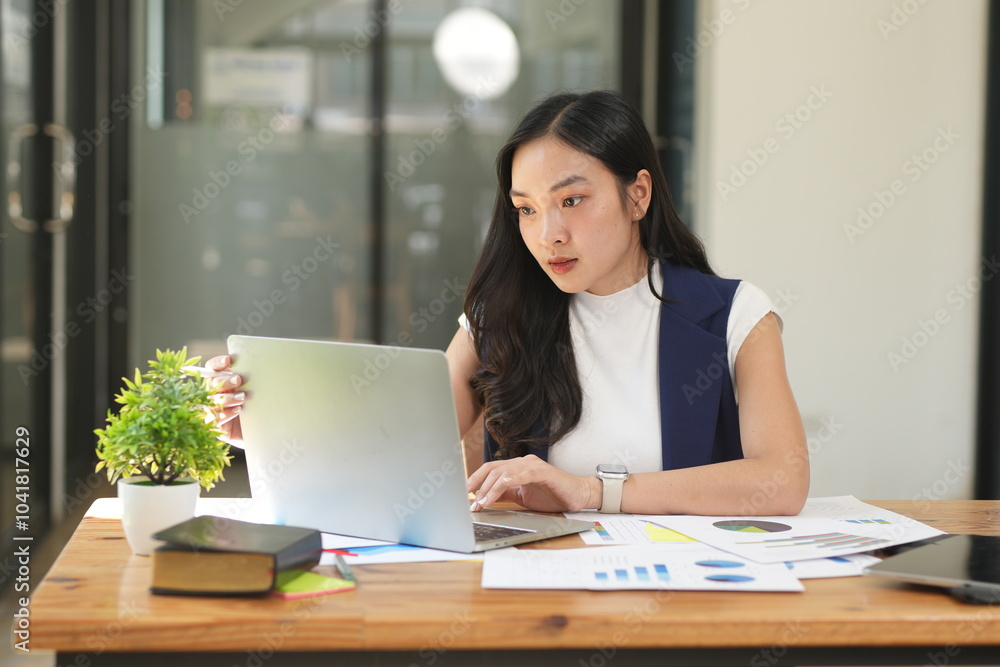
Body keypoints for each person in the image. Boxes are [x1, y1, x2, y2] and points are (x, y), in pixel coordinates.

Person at [210, 90, 809, 517]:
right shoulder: (501, 318)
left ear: (638, 194)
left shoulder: (733, 315)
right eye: (526, 208)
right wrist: (268, 431)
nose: (548, 233)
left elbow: (781, 481)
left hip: (693, 599)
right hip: (536, 598)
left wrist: (590, 491)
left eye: (571, 200)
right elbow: (390, 444)